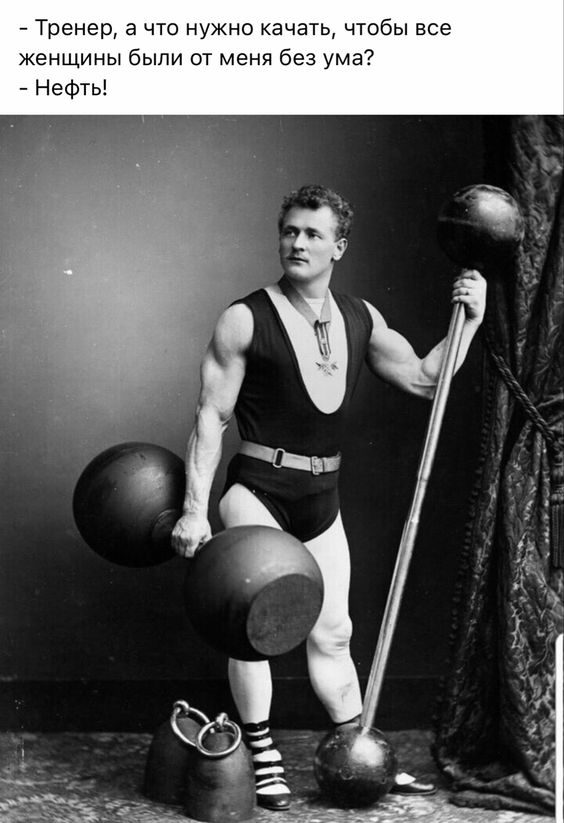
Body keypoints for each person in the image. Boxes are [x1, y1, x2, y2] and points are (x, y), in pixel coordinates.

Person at [172, 184, 487, 811]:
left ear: (338, 247)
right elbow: (211, 415)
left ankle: (358, 748)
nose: (298, 242)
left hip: (322, 495)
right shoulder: (245, 318)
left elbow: (426, 379)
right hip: (257, 490)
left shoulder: (360, 316)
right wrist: (192, 510)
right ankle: (260, 753)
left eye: (314, 234)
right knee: (254, 625)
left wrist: (471, 321)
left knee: (334, 632)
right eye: (290, 231)